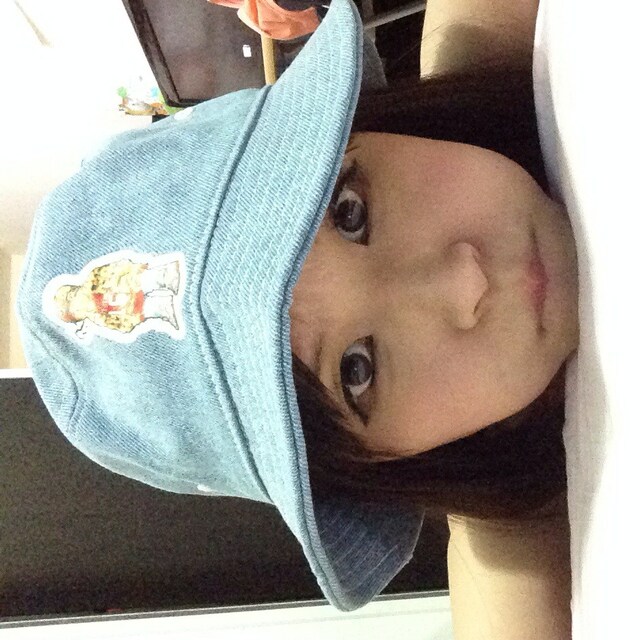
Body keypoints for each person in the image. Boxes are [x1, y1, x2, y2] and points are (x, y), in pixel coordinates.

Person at [16, 0, 577, 638]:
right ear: (382, 465)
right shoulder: (572, 525)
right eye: (357, 370)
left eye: (350, 212)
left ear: (365, 124)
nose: (465, 283)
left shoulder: (534, 54)